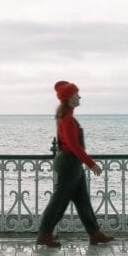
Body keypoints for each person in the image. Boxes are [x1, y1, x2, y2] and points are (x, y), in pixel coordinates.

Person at [35, 81, 115, 247]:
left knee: (83, 200)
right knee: (59, 201)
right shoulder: (67, 120)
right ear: (69, 99)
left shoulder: (66, 117)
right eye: (76, 94)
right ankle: (44, 234)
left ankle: (95, 234)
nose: (79, 96)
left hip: (72, 164)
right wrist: (91, 164)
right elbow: (73, 145)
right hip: (69, 164)